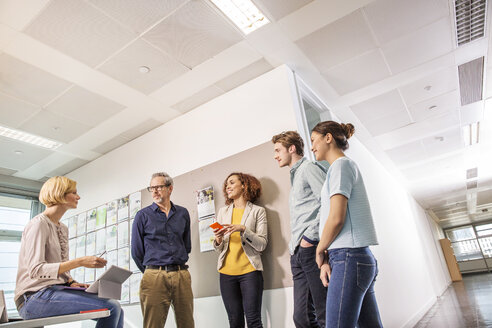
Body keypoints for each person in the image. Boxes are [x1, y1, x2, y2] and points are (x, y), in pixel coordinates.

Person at [14, 176, 123, 327]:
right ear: (59, 194)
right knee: (111, 307)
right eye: (74, 193)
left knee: (116, 307)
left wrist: (71, 282)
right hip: (33, 298)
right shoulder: (38, 224)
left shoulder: (62, 228)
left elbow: (60, 266)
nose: (78, 197)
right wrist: (80, 262)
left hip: (54, 290)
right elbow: (36, 270)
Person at [311, 121, 382, 328]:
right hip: (352, 257)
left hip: (349, 258)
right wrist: (326, 258)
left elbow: (336, 218)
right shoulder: (339, 168)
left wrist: (320, 248)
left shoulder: (341, 166)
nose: (312, 146)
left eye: (314, 140)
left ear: (328, 138)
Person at [272, 131, 327, 328]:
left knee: (324, 313)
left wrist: (309, 238)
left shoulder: (309, 168)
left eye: (278, 150)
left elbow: (328, 204)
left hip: (310, 249)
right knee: (301, 317)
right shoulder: (295, 176)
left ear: (292, 148)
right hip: (297, 252)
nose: (275, 155)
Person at [131, 172, 194, 328]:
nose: (155, 191)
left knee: (187, 324)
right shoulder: (142, 216)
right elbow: (136, 251)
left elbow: (186, 245)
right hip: (154, 275)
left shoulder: (183, 213)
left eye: (158, 187)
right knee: (153, 325)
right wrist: (151, 271)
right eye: (151, 188)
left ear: (170, 188)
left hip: (181, 275)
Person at [213, 173, 268, 328]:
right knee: (234, 322)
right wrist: (217, 239)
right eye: (226, 184)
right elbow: (219, 247)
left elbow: (262, 244)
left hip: (250, 272)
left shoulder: (258, 211)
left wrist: (243, 229)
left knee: (253, 321)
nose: (227, 187)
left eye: (231, 182)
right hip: (226, 274)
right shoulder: (222, 212)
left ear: (244, 185)